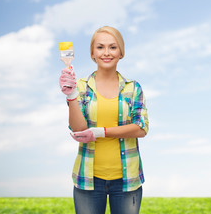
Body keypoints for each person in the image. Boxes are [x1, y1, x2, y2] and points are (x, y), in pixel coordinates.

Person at [59, 26, 149, 214]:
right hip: (88, 178)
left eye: (113, 47)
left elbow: (141, 128)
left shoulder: (133, 88)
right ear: (92, 52)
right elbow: (78, 129)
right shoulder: (82, 86)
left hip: (127, 181)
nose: (106, 53)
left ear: (121, 52)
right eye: (100, 47)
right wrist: (71, 96)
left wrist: (101, 132)